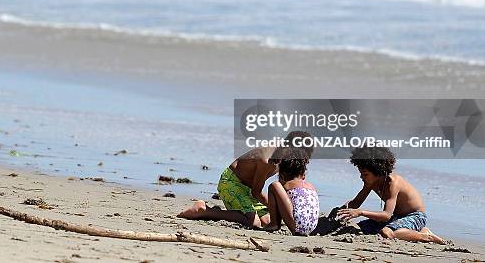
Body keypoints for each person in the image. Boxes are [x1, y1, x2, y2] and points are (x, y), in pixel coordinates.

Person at [177, 131, 313, 228]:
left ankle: (231, 212)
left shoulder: (285, 159)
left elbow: (285, 189)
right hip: (231, 183)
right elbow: (256, 192)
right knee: (253, 222)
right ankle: (204, 210)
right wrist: (277, 208)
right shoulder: (268, 160)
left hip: (249, 189)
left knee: (267, 221)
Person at [337, 146, 445, 244]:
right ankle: (417, 231)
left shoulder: (392, 183)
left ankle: (426, 236)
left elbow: (386, 215)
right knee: (360, 227)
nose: (361, 177)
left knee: (386, 232)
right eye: (360, 173)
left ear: (378, 171)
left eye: (365, 174)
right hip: (397, 218)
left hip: (415, 216)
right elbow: (356, 203)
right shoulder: (371, 182)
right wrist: (340, 210)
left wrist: (360, 212)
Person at [263, 147, 319, 235]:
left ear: (282, 175)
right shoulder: (310, 186)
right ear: (303, 175)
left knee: (274, 186)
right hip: (311, 227)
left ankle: (274, 223)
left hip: (297, 226)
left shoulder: (287, 185)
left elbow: (280, 204)